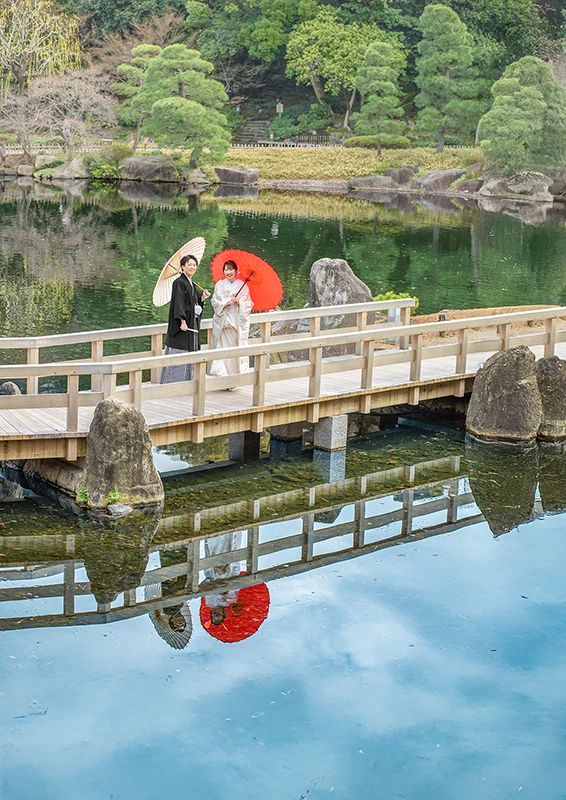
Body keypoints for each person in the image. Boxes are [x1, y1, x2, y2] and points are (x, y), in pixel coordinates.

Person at [161, 254, 210, 384]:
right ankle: (173, 383)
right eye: (189, 264)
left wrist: (201, 299)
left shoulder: (191, 284)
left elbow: (193, 304)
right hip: (182, 326)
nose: (192, 267)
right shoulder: (179, 283)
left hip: (191, 325)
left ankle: (188, 382)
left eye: (194, 265)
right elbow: (178, 303)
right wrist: (182, 321)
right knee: (179, 353)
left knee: (190, 353)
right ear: (182, 267)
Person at [209, 260, 253, 380]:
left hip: (235, 323)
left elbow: (249, 304)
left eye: (230, 269)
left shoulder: (242, 286)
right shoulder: (219, 285)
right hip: (223, 324)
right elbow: (214, 301)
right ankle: (221, 375)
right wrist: (225, 303)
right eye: (226, 269)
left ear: (235, 270)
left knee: (235, 349)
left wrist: (239, 303)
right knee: (222, 348)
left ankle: (234, 377)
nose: (228, 272)